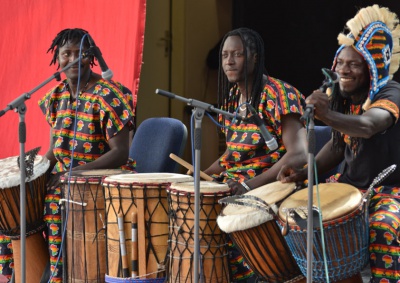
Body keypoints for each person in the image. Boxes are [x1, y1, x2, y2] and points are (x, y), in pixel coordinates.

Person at [0, 28, 136, 282]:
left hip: (105, 178)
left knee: (52, 203)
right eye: (66, 53)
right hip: (67, 176)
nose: (74, 58)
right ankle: (21, 273)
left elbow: (120, 153)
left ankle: (58, 275)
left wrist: (72, 173)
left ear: (92, 56)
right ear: (57, 59)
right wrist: (30, 173)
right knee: (15, 198)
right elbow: (55, 150)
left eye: (81, 53)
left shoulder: (108, 94)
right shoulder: (56, 97)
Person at [277, 5, 400, 283]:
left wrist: (327, 115)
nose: (343, 70)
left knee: (383, 226)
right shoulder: (343, 97)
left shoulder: (391, 93)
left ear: (372, 68)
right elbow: (336, 146)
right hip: (348, 185)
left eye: (354, 64)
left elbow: (367, 127)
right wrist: (305, 173)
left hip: (389, 189)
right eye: (340, 63)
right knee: (295, 212)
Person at [204, 27, 307, 282]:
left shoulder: (280, 95)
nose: (228, 61)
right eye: (225, 55)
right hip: (237, 182)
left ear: (254, 58)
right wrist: (202, 173)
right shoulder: (232, 99)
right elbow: (233, 154)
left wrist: (248, 185)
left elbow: (298, 155)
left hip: (271, 186)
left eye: (237, 54)